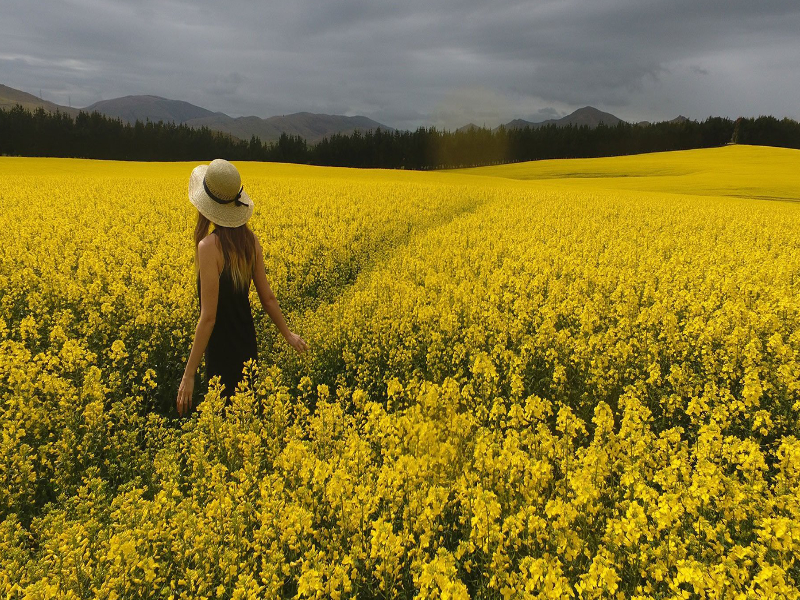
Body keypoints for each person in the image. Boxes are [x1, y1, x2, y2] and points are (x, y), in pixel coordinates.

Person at [176, 158, 308, 417]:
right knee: (246, 418)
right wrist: (288, 334)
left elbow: (209, 317)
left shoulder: (208, 247)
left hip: (222, 349)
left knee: (224, 420)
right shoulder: (250, 241)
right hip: (247, 344)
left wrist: (188, 374)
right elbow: (267, 298)